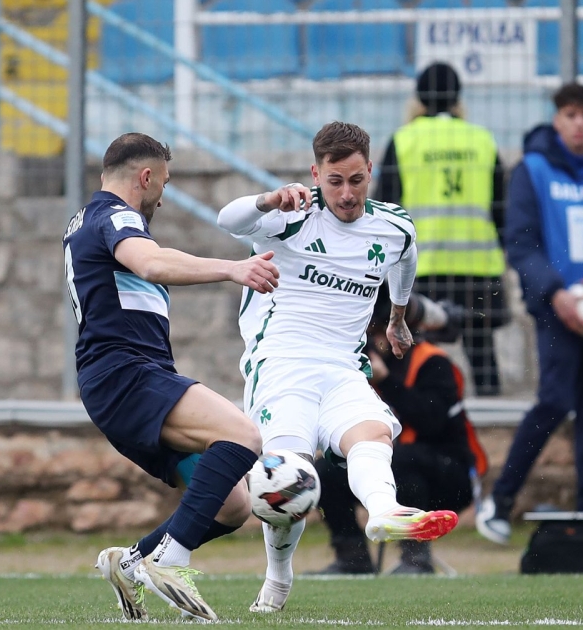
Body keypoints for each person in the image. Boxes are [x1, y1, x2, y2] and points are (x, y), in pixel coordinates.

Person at [216, 122, 459, 613]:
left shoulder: (392, 226)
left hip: (345, 366)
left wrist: (397, 317)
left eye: (356, 180)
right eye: (334, 182)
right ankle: (278, 576)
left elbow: (406, 258)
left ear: (370, 171)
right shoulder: (292, 216)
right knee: (288, 477)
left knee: (372, 432)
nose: (346, 194)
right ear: (315, 175)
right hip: (282, 364)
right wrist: (268, 200)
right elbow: (228, 219)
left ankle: (385, 511)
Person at [67, 133, 278, 621]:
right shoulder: (117, 216)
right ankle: (169, 560)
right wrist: (234, 268)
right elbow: (152, 262)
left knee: (233, 504)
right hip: (124, 374)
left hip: (120, 381)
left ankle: (131, 563)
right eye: (163, 182)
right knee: (243, 434)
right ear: (146, 177)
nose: (162, 195)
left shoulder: (88, 220)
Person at [476, 83, 583, 544]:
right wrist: (555, 294)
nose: (579, 123)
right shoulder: (532, 172)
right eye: (571, 115)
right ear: (557, 120)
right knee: (554, 401)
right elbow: (521, 243)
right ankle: (500, 501)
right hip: (558, 311)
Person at [312, 288, 488, 575]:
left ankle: (416, 557)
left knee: (402, 459)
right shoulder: (360, 369)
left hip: (449, 474)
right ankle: (352, 559)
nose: (373, 340)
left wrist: (386, 381)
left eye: (376, 331)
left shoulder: (432, 362)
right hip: (400, 467)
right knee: (325, 470)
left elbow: (431, 422)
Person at [376, 61, 510, 396]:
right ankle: (492, 413)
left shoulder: (404, 140)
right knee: (482, 349)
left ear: (419, 97)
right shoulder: (481, 140)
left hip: (423, 266)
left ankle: (423, 415)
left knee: (418, 351)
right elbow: (501, 207)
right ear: (456, 97)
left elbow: (385, 208)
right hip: (477, 266)